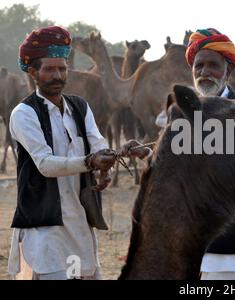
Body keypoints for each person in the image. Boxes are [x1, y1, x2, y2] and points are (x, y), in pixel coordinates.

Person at [7, 26, 150, 280]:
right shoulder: (24, 114)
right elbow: (45, 164)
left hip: (79, 224)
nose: (58, 75)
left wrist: (117, 154)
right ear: (33, 72)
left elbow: (97, 145)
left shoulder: (79, 108)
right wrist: (91, 161)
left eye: (62, 69)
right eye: (49, 69)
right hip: (45, 229)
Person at [158, 28, 235, 280]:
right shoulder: (181, 113)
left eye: (213, 65)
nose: (204, 72)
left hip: (234, 237)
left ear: (228, 70)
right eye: (199, 65)